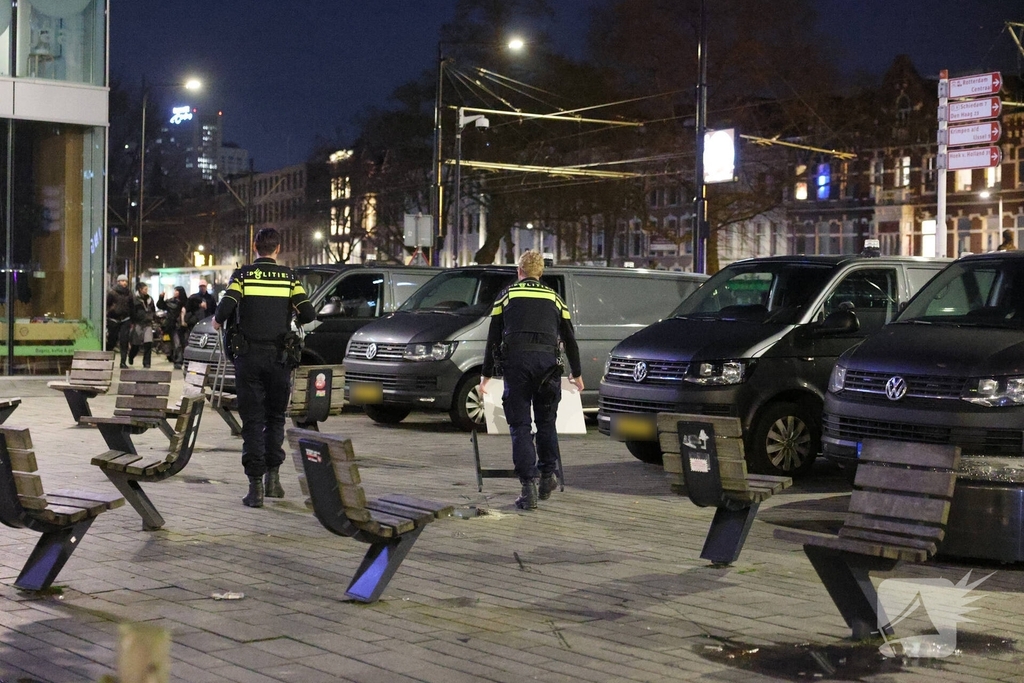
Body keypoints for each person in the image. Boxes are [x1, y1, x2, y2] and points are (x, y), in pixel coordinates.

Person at [213, 228, 316, 508]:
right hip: (279, 359)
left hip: (248, 358)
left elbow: (223, 311)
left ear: (254, 247)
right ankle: (274, 480)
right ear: (278, 249)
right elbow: (308, 314)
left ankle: (255, 487)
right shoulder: (290, 278)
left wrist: (218, 320)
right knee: (275, 418)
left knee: (252, 420)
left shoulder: (243, 276)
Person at [479, 250, 584, 511]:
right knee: (547, 423)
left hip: (517, 366)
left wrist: (486, 375)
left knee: (521, 427)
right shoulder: (555, 298)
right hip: (549, 367)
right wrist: (577, 373)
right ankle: (547, 476)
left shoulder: (507, 295)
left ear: (520, 271)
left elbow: (493, 337)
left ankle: (528, 489)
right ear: (541, 273)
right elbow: (569, 338)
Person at [106, 274, 133, 368]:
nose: (124, 283)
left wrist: (131, 318)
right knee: (112, 340)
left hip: (125, 319)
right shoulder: (112, 293)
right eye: (122, 281)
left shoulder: (129, 293)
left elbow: (131, 305)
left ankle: (123, 362)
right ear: (118, 282)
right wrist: (111, 311)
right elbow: (107, 304)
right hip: (113, 319)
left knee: (124, 341)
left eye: (126, 281)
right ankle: (107, 359)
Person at [158, 286, 189, 368]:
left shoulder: (186, 302)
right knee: (177, 343)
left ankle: (182, 359)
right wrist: (161, 297)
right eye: (175, 291)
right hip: (174, 326)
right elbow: (160, 305)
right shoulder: (171, 301)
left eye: (177, 291)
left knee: (184, 343)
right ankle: (178, 361)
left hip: (185, 326)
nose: (175, 292)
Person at [128, 282, 157, 368]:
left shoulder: (150, 299)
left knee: (148, 343)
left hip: (148, 323)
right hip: (138, 323)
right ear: (140, 289)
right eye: (145, 289)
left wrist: (152, 317)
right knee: (136, 344)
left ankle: (147, 363)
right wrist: (133, 321)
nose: (146, 291)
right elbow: (131, 311)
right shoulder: (134, 299)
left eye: (147, 289)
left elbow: (153, 309)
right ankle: (131, 356)